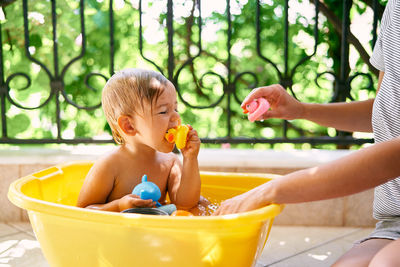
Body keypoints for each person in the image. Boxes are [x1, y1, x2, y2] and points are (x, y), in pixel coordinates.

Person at [214, 0, 400, 265]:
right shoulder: (395, 8)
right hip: (393, 223)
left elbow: (393, 157)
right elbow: (386, 111)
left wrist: (269, 190)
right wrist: (301, 110)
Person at [77, 68, 203, 214]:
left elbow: (185, 205)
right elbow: (82, 211)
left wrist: (190, 158)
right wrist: (118, 206)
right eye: (163, 111)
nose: (176, 117)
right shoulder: (109, 166)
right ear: (129, 125)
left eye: (175, 108)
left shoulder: (170, 162)